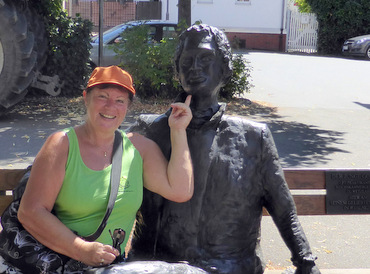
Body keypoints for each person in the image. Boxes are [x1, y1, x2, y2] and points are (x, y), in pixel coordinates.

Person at [128, 24, 320, 274]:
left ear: (226, 69)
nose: (195, 67)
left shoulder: (254, 138)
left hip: (230, 268)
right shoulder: (147, 131)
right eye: (187, 60)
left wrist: (305, 262)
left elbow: (284, 210)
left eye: (206, 58)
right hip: (156, 267)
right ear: (177, 71)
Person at [0, 66, 194, 273]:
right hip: (52, 262)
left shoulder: (139, 148)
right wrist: (82, 250)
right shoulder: (62, 144)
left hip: (106, 267)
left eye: (120, 100)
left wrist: (178, 131)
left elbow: (180, 190)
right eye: (103, 96)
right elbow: (31, 212)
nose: (111, 106)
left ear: (128, 106)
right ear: (86, 97)